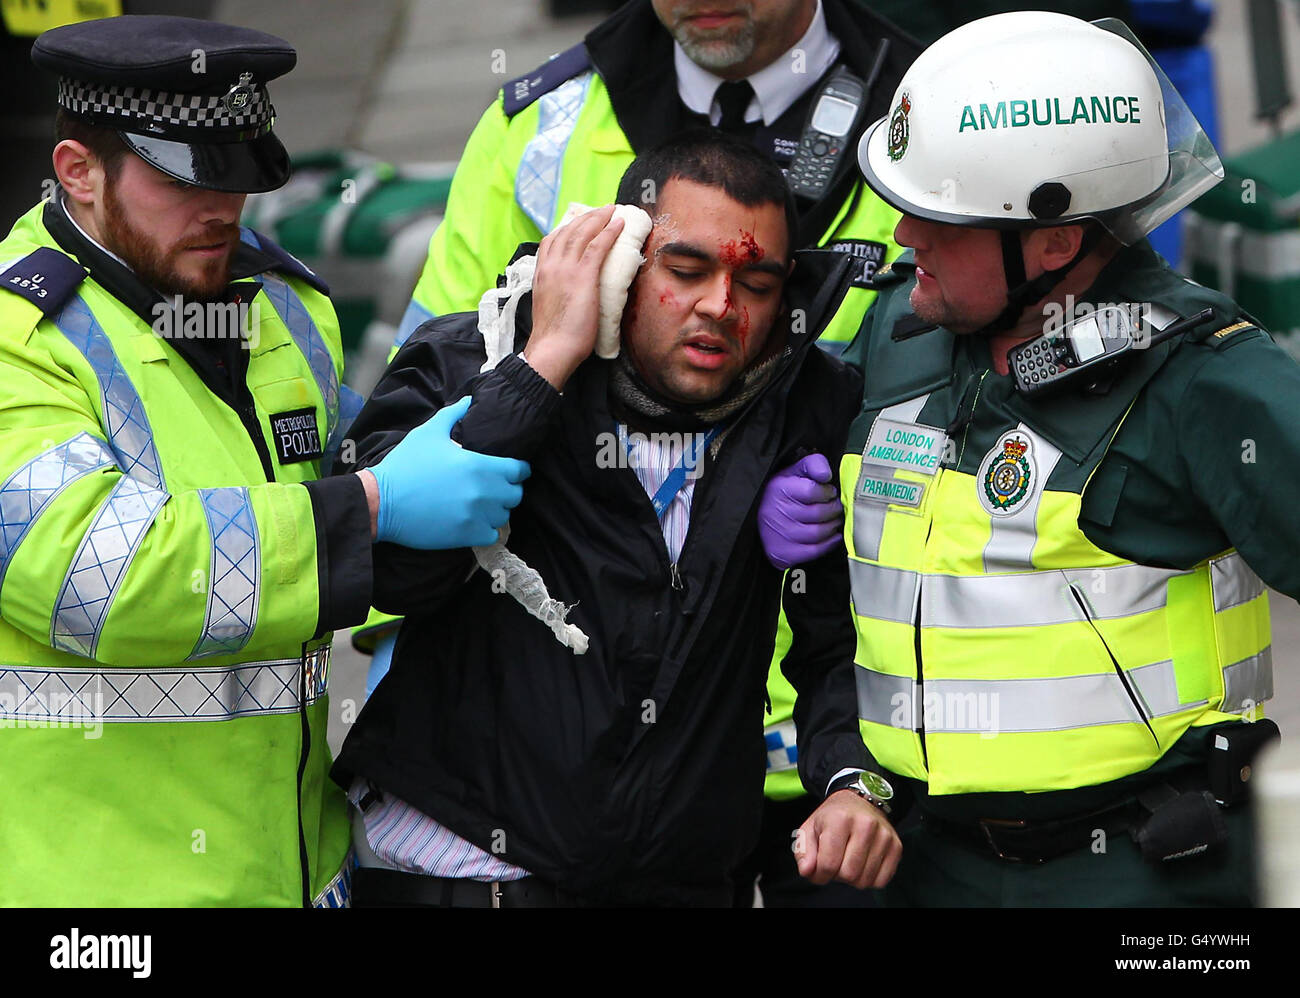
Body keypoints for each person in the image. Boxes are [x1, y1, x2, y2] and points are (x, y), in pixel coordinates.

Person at [357, 0, 921, 906]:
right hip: (477, 837)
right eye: (686, 272)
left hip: (723, 807)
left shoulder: (923, 103)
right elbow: (389, 543)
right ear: (617, 259)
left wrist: (856, 779)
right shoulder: (538, 131)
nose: (717, 307)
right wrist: (548, 358)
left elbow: (845, 641)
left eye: (754, 283)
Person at [760, 11, 1296, 906]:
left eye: (941, 219)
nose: (903, 237)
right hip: (921, 865)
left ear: (1057, 241)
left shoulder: (1208, 378)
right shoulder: (897, 336)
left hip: (1143, 874)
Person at [0, 14, 527, 907]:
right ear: (78, 173)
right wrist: (370, 506)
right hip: (97, 902)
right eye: (184, 181)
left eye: (240, 176)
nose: (223, 210)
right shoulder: (20, 339)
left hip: (297, 875)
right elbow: (104, 573)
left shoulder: (274, 305)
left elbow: (351, 535)